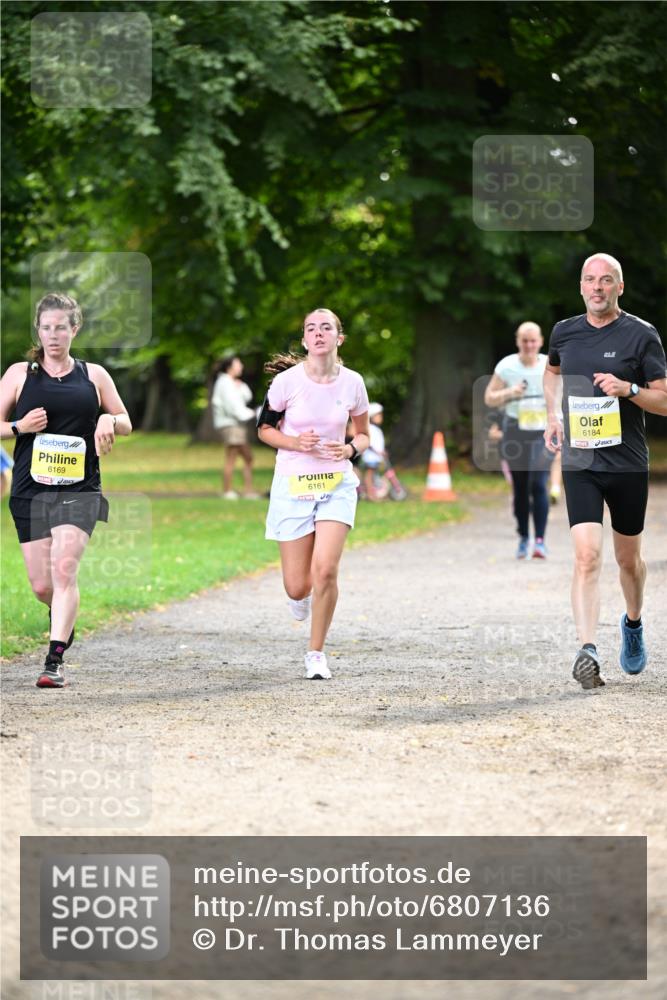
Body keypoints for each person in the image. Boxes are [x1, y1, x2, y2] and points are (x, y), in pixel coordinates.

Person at [544, 253, 667, 690]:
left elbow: (664, 399)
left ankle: (632, 623)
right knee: (586, 556)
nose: (597, 288)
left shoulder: (641, 335)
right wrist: (552, 417)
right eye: (590, 280)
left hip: (628, 464)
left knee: (628, 560)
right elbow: (551, 370)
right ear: (581, 287)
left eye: (606, 281)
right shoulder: (564, 332)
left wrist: (628, 389)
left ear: (619, 287)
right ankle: (588, 649)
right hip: (581, 462)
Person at [0, 292, 132, 688]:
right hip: (29, 489)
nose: (53, 335)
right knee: (43, 585)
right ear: (38, 331)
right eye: (46, 328)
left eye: (61, 327)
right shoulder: (19, 374)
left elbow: (126, 420)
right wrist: (21, 427)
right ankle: (61, 618)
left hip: (80, 488)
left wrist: (109, 418)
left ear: (75, 329)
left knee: (63, 569)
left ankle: (53, 660)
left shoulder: (94, 375)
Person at [257, 308, 369, 680]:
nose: (318, 333)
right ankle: (298, 597)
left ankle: (316, 653)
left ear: (339, 338)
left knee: (326, 570)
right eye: (311, 328)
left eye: (326, 328)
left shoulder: (353, 382)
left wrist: (351, 450)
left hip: (336, 483)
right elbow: (264, 430)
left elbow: (363, 434)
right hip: (293, 484)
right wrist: (294, 442)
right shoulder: (286, 383)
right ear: (305, 340)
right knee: (297, 584)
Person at [484, 322, 553, 559]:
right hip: (514, 429)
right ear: (518, 342)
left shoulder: (549, 364)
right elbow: (489, 398)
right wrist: (510, 393)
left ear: (541, 341)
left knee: (538, 482)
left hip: (542, 431)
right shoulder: (506, 366)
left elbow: (564, 394)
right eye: (525, 340)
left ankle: (540, 541)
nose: (529, 345)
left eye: (533, 340)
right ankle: (524, 537)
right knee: (521, 488)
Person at [211, 355, 259, 499]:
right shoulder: (224, 382)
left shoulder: (233, 383)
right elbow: (232, 407)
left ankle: (247, 491)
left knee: (248, 458)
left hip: (236, 425)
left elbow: (246, 397)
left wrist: (241, 386)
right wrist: (252, 413)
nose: (241, 367)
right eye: (238, 364)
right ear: (230, 367)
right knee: (233, 457)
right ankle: (228, 491)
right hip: (231, 425)